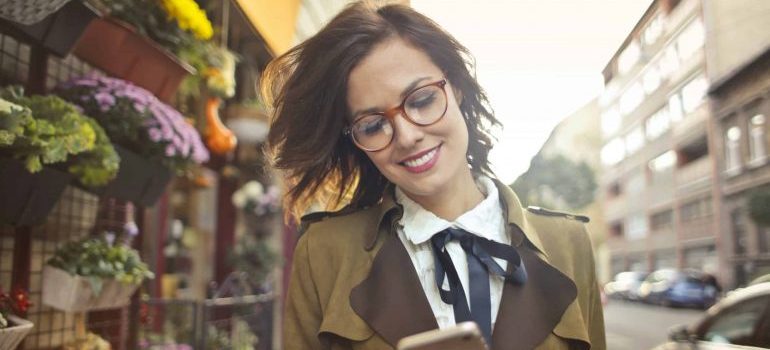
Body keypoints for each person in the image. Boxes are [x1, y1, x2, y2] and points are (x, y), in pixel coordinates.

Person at [262, 2, 606, 349]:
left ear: (455, 85)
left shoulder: (569, 243)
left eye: (422, 100)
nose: (407, 136)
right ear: (355, 140)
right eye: (373, 124)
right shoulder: (324, 252)